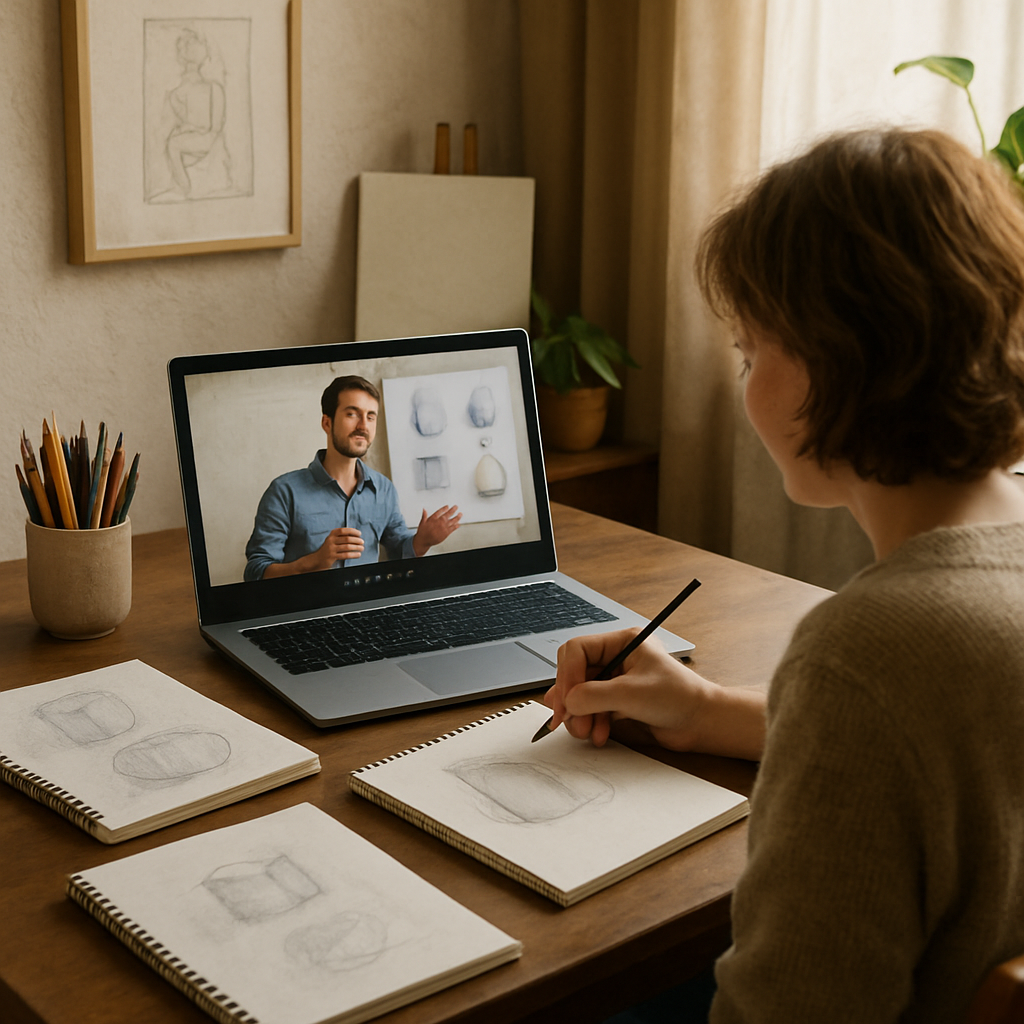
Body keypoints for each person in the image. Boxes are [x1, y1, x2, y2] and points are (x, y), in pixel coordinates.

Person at [545, 127, 1024, 1023]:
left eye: (747, 351)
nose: (743, 383)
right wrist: (703, 710)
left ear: (835, 360)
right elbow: (952, 741)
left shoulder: (871, 649)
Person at [244, 375, 461, 581]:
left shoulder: (384, 489)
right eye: (352, 414)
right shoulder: (284, 492)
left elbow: (398, 553)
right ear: (327, 423)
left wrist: (422, 542)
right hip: (305, 615)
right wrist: (314, 562)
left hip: (367, 613)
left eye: (370, 416)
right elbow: (256, 572)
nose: (363, 426)